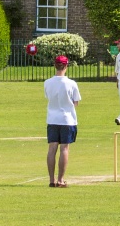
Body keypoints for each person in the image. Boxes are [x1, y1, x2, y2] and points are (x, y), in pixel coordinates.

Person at [43, 55, 81, 188]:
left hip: (52, 119)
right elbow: (76, 102)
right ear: (66, 66)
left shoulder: (47, 82)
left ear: (55, 65)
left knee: (52, 148)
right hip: (67, 119)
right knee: (64, 148)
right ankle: (60, 180)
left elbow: (48, 97)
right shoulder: (71, 83)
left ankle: (52, 180)